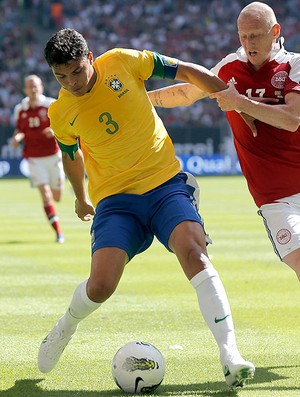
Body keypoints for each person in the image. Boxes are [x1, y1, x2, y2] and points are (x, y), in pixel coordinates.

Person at [37, 28, 255, 389]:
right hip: (116, 201)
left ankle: (230, 354)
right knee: (101, 285)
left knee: (194, 252)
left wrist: (229, 96)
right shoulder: (61, 112)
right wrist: (79, 196)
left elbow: (185, 70)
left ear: (89, 58)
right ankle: (65, 327)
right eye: (61, 76)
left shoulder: (123, 60)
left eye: (76, 71)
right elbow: (71, 156)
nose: (71, 82)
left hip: (165, 184)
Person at [148, 2, 300, 280]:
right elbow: (187, 93)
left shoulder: (294, 64)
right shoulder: (230, 66)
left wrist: (240, 102)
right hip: (276, 199)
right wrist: (141, 101)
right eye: (243, 35)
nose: (248, 42)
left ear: (275, 30)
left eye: (255, 35)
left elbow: (292, 118)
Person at [12, 75, 65, 243]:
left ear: (41, 87)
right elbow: (19, 129)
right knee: (46, 196)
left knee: (57, 196)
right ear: (25, 90)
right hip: (34, 158)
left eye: (36, 86)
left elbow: (64, 126)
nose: (33, 89)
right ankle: (58, 233)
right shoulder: (20, 109)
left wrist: (54, 131)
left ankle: (56, 185)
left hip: (52, 155)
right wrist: (17, 138)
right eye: (30, 86)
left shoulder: (51, 105)